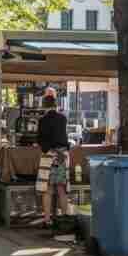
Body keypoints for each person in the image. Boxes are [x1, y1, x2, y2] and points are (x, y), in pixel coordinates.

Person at [36, 95, 70, 226]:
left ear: (44, 106)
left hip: (49, 157)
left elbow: (40, 140)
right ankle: (65, 218)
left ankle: (47, 219)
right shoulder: (63, 118)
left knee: (48, 189)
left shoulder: (42, 120)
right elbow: (63, 137)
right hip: (62, 156)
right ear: (56, 105)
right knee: (62, 189)